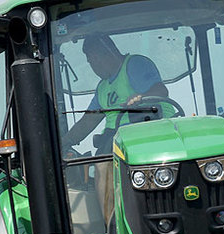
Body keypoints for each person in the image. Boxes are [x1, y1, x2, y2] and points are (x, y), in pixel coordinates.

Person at [62, 35, 174, 222]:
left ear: (109, 51)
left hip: (151, 130)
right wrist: (63, 142)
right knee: (101, 159)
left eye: (95, 59)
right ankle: (112, 226)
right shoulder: (102, 88)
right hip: (117, 141)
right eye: (90, 62)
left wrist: (141, 97)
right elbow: (88, 122)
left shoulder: (134, 64)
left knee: (104, 162)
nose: (93, 66)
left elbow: (161, 91)